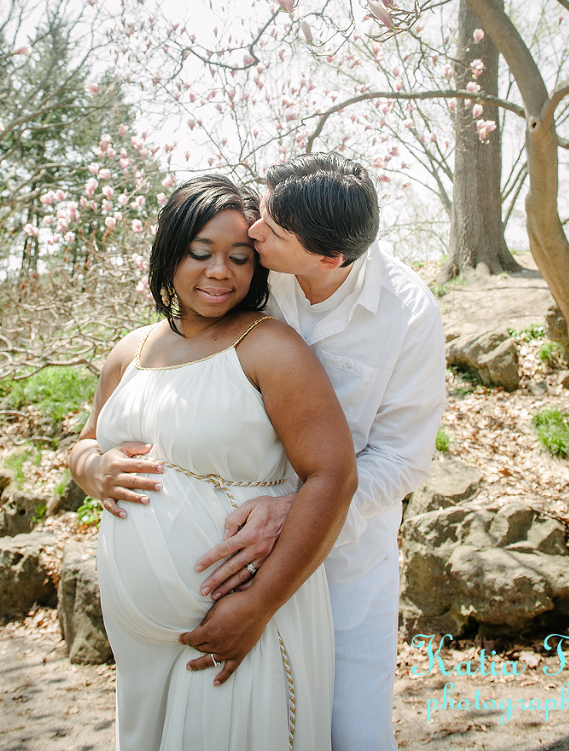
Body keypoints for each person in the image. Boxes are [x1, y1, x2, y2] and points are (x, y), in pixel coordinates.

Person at [70, 174, 357, 751]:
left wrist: (256, 606)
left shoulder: (269, 346)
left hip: (243, 625)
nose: (220, 271)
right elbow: (84, 443)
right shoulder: (130, 352)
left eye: (240, 257)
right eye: (200, 252)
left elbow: (334, 475)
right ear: (169, 252)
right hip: (141, 646)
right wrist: (92, 469)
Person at [192, 154, 446, 751]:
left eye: (272, 231)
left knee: (353, 735)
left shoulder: (409, 314)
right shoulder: (251, 274)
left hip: (348, 567)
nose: (253, 233)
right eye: (262, 211)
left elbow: (404, 458)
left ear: (331, 258)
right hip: (234, 551)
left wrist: (301, 508)